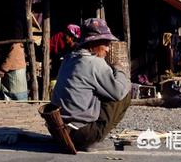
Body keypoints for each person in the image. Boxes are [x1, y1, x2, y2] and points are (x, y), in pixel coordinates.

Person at [51, 18, 131, 152]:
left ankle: (87, 135)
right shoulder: (94, 63)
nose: (107, 49)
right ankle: (94, 140)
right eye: (105, 44)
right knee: (125, 92)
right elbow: (119, 91)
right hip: (81, 134)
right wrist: (120, 69)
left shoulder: (69, 58)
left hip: (59, 130)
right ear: (94, 43)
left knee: (104, 90)